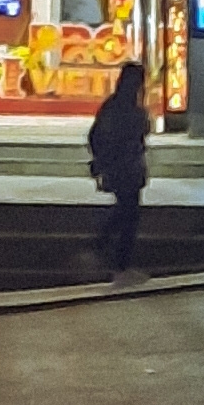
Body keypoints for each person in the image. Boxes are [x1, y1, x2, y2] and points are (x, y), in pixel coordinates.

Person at [88, 60, 148, 283]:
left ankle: (104, 248)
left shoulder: (113, 105)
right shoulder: (128, 108)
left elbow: (95, 136)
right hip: (126, 166)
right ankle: (117, 261)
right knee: (129, 214)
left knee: (126, 210)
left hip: (121, 166)